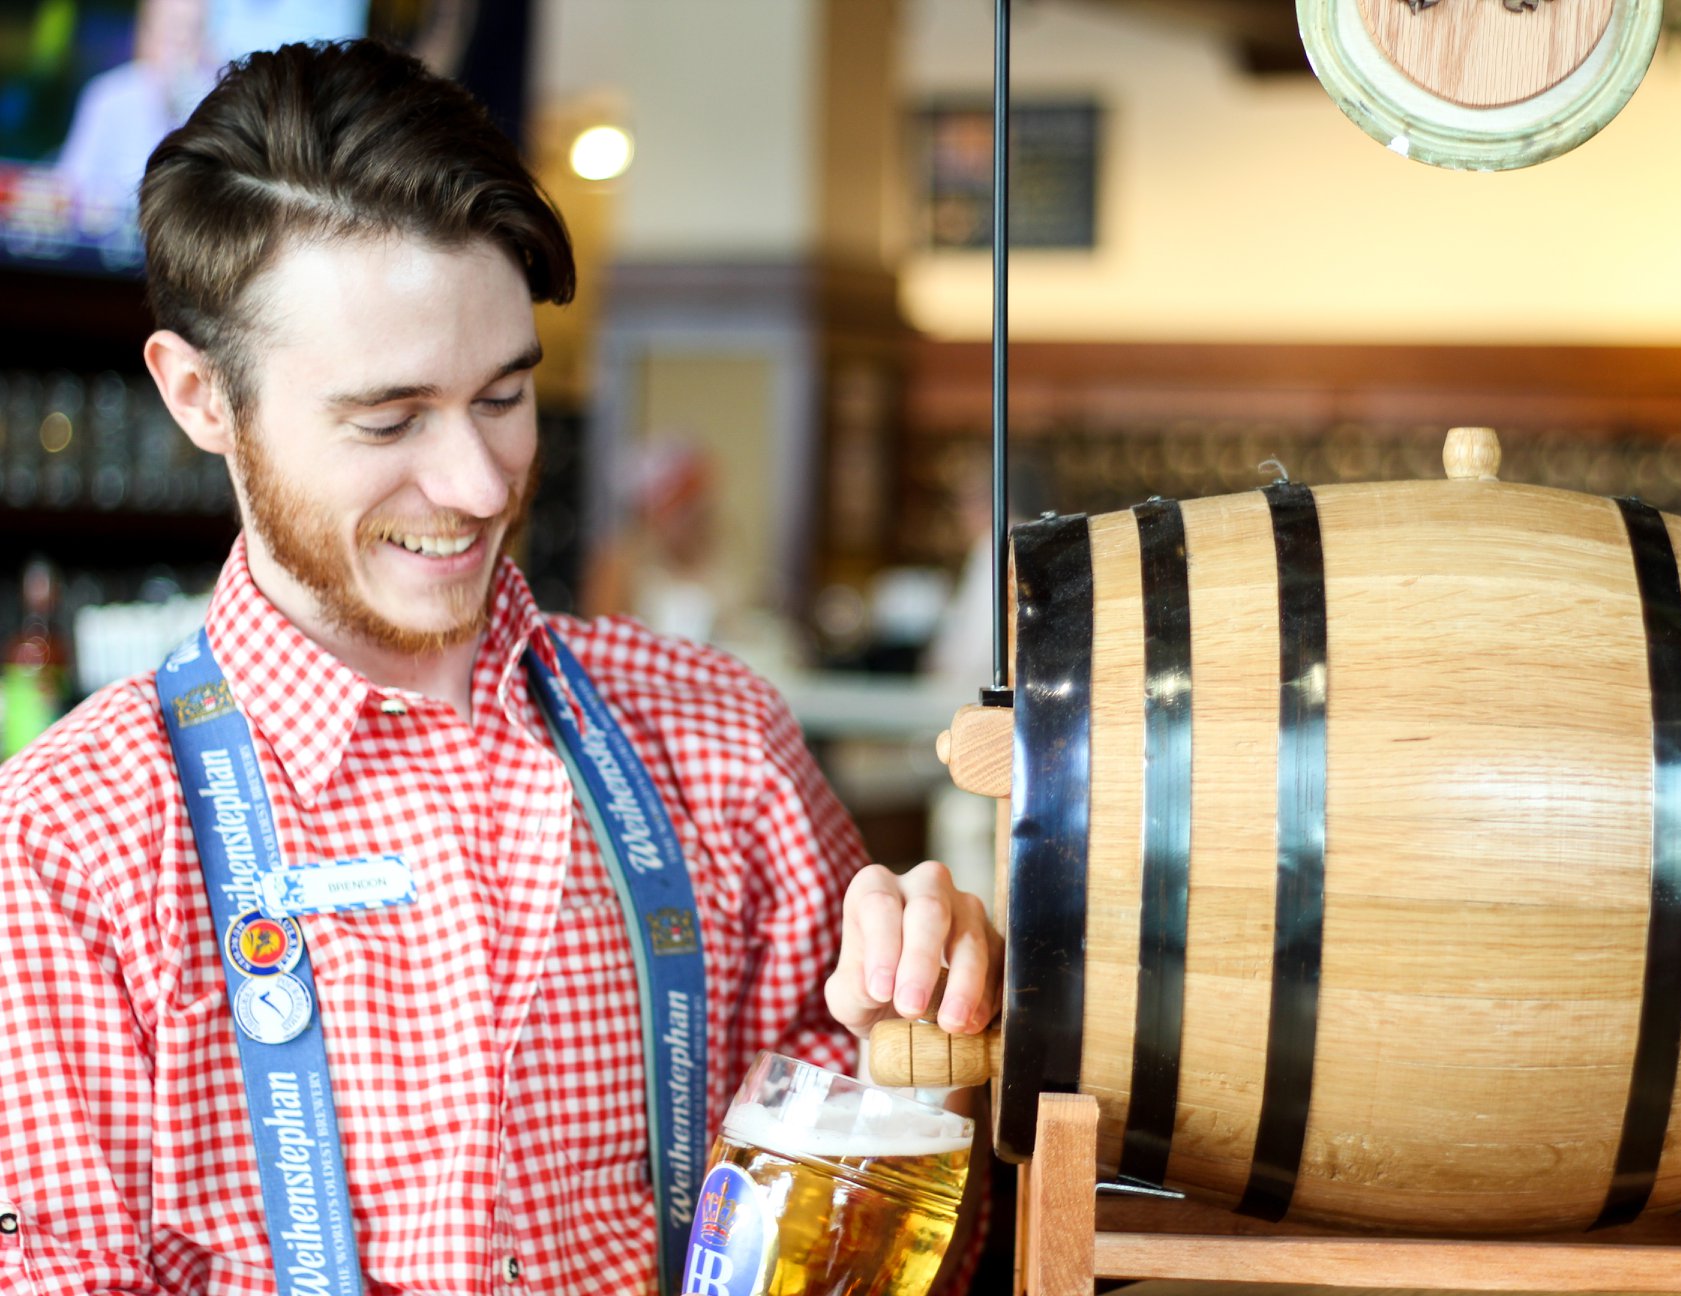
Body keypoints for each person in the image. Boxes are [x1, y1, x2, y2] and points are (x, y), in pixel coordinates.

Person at [0, 38, 1000, 1295]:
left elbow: (895, 1230)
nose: (478, 487)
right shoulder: (67, 844)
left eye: (504, 397)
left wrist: (931, 1037)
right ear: (201, 395)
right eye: (391, 417)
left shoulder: (723, 738)